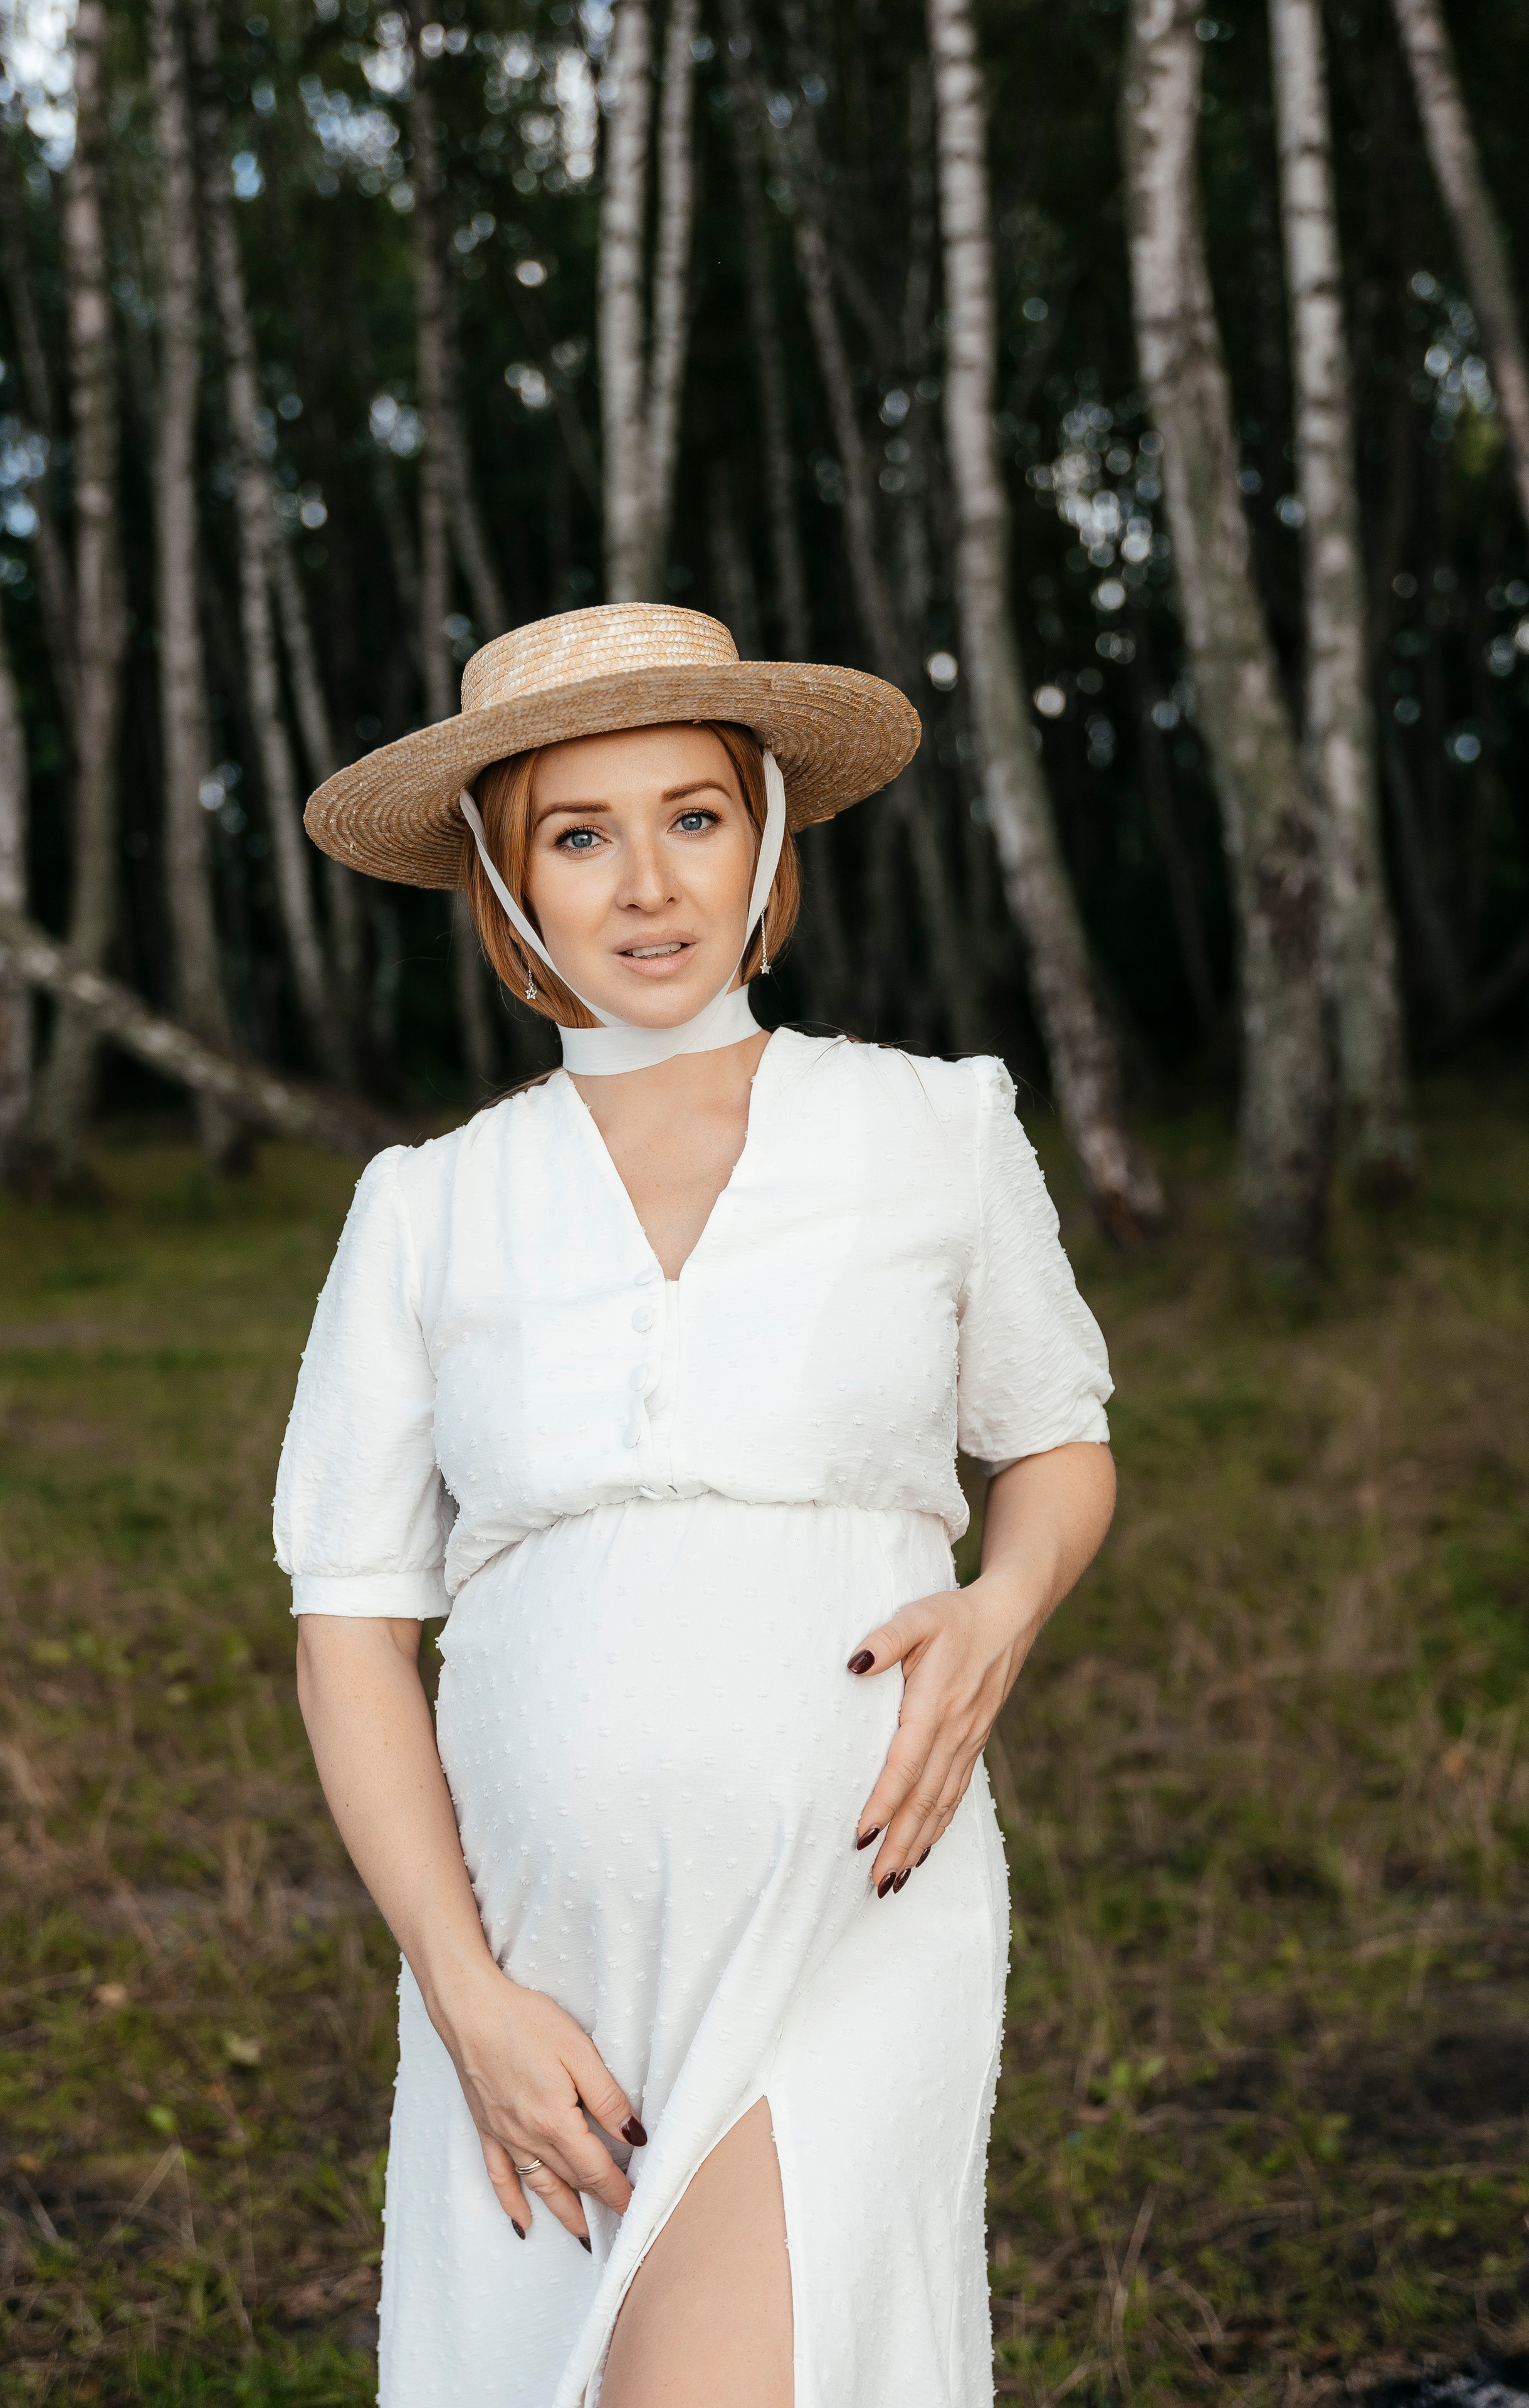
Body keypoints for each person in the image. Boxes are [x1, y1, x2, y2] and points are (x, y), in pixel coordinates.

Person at [275, 603, 1115, 2408]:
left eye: (695, 817)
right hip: (540, 1971)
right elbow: (349, 1631)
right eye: (580, 836)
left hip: (849, 1920)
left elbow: (1057, 1443)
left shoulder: (933, 1130)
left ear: (766, 839)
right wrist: (465, 1994)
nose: (648, 886)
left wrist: (1003, 1606)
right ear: (507, 885)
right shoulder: (427, 1207)